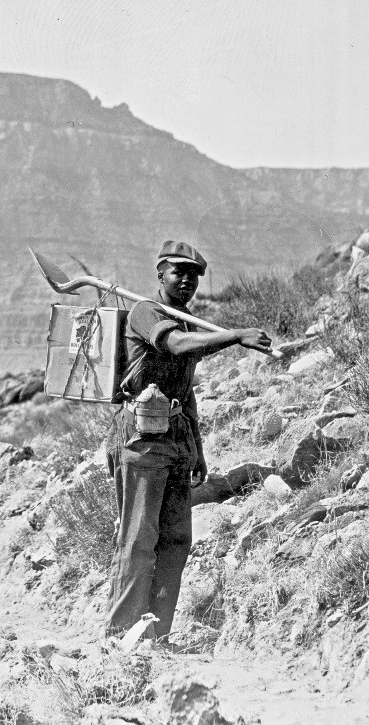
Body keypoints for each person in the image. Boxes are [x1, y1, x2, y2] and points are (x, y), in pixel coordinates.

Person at [105, 239, 272, 641]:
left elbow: (185, 387)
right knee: (138, 538)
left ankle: (156, 636)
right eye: (178, 272)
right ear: (160, 273)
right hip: (141, 438)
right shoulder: (148, 313)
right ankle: (121, 636)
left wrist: (196, 444)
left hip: (177, 436)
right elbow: (176, 346)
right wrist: (235, 336)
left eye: (194, 275)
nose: (187, 281)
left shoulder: (187, 321)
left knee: (177, 539)